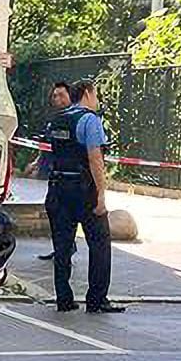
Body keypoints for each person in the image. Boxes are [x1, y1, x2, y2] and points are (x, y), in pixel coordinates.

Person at [45, 78, 124, 314]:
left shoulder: (57, 119)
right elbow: (95, 159)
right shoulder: (89, 120)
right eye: (96, 94)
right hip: (83, 191)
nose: (97, 100)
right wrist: (101, 195)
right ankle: (97, 299)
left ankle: (64, 299)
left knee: (62, 246)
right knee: (99, 244)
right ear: (88, 93)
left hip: (58, 189)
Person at [23, 81, 72, 261]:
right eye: (54, 95)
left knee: (62, 213)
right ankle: (63, 248)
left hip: (68, 176)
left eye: (61, 95)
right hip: (53, 173)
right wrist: (36, 162)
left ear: (70, 96)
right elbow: (48, 145)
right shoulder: (56, 118)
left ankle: (65, 250)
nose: (57, 99)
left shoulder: (74, 119)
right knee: (54, 211)